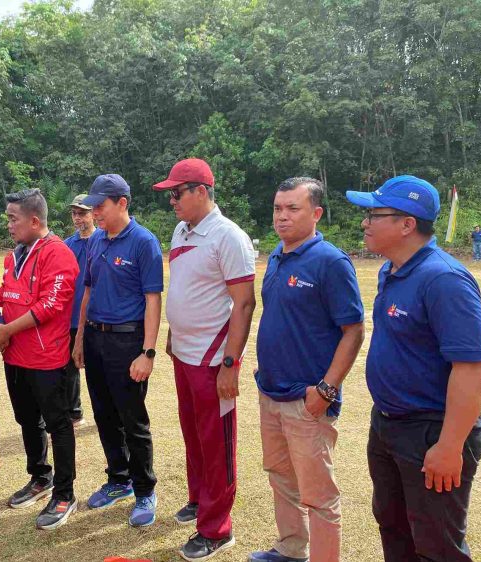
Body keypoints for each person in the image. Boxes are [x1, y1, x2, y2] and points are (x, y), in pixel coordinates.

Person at [346, 175, 481, 562]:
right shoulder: (391, 270)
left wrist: (449, 446)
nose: (365, 222)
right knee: (394, 527)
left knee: (437, 545)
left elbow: (471, 369)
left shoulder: (443, 279)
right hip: (389, 424)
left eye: (375, 214)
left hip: (431, 431)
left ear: (407, 224)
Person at [251, 177, 365, 562]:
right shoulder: (278, 255)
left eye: (292, 209)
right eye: (278, 208)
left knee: (318, 495)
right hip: (271, 392)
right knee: (282, 479)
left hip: (307, 399)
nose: (282, 217)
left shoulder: (331, 261)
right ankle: (291, 549)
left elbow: (353, 331)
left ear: (316, 213)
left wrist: (326, 390)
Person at [153, 158, 256, 561]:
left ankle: (217, 529)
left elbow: (244, 303)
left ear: (200, 191)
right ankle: (200, 499)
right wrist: (173, 335)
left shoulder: (228, 236)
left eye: (177, 193)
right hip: (184, 353)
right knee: (194, 435)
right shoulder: (183, 230)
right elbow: (184, 288)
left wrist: (231, 363)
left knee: (218, 444)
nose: (172, 202)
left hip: (214, 359)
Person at [0, 188, 79, 530]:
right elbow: (9, 293)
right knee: (27, 420)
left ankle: (65, 493)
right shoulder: (16, 254)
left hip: (47, 358)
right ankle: (41, 476)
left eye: (13, 219)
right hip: (15, 357)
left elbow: (49, 305)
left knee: (58, 424)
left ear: (35, 220)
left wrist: (7, 329)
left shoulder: (59, 254)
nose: (8, 225)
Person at [72, 174, 164, 528]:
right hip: (95, 339)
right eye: (92, 207)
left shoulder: (144, 242)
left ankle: (144, 489)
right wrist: (80, 339)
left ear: (122, 203)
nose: (95, 213)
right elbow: (88, 293)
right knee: (104, 416)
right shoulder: (96, 242)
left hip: (128, 342)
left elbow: (152, 300)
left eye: (100, 206)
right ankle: (118, 479)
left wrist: (148, 352)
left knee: (132, 420)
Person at [63, 193, 95, 428]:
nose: (77, 218)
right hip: (70, 317)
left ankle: (110, 415)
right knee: (69, 367)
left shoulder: (103, 240)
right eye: (74, 213)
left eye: (82, 213)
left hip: (96, 316)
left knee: (98, 367)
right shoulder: (67, 245)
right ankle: (74, 413)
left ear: (94, 213)